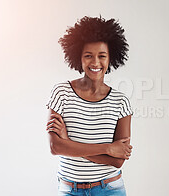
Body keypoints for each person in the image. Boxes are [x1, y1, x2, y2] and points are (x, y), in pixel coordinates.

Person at [46, 16, 133, 196]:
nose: (95, 63)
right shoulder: (61, 93)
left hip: (110, 189)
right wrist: (107, 148)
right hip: (69, 190)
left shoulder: (120, 101)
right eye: (88, 56)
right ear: (78, 57)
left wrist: (68, 143)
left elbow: (118, 161)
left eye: (102, 56)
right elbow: (55, 147)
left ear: (111, 58)